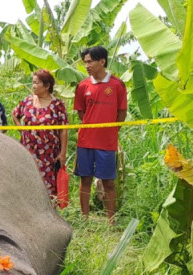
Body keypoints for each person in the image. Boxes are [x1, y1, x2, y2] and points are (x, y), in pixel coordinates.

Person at [73, 46, 127, 224]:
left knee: (108, 182)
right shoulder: (82, 86)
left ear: (102, 61)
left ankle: (111, 220)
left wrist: (110, 131)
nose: (86, 65)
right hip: (85, 141)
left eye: (90, 61)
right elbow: (82, 113)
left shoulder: (117, 85)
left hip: (107, 142)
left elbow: (121, 113)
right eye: (85, 62)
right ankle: (84, 218)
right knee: (85, 179)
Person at [12, 69, 68, 199]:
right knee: (28, 184)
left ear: (47, 86)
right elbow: (15, 114)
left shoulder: (58, 105)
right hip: (28, 151)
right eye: (33, 82)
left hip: (49, 154)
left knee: (48, 189)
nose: (33, 86)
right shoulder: (27, 101)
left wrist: (63, 153)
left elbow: (63, 130)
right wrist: (22, 131)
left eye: (37, 83)